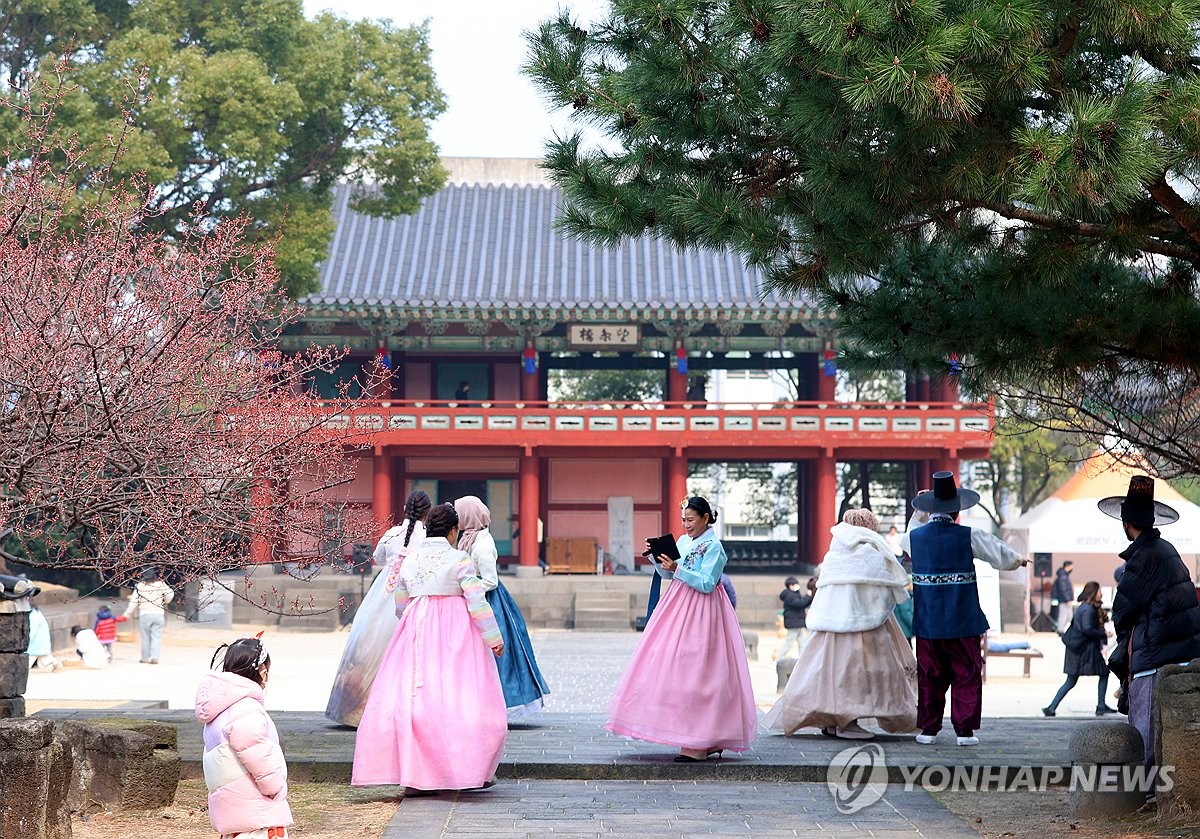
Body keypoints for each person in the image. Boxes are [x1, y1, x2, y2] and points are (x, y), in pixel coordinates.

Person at [352, 503, 506, 791]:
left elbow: (400, 602)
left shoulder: (411, 560)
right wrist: (493, 638)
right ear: (452, 531)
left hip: (415, 630)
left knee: (416, 702)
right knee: (460, 700)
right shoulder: (460, 559)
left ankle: (417, 773)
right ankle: (464, 770)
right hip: (456, 635)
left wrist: (414, 619)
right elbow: (476, 601)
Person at [607, 496, 756, 762]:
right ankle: (688, 734)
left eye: (690, 520)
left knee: (699, 673)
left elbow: (708, 583)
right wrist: (658, 559)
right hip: (676, 606)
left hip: (703, 612)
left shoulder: (714, 547)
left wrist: (678, 569)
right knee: (669, 666)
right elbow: (669, 574)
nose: (686, 525)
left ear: (706, 518)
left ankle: (701, 740)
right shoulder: (684, 542)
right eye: (683, 520)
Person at [764, 508, 917, 740]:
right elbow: (888, 584)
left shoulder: (833, 554)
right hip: (864, 625)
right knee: (858, 673)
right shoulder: (869, 550)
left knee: (827, 673)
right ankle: (848, 721)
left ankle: (831, 720)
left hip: (829, 627)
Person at [904, 471, 1027, 746]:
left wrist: (917, 515)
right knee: (967, 673)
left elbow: (907, 538)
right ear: (957, 510)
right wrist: (1018, 560)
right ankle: (965, 731)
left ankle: (928, 729)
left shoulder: (915, 538)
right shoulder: (968, 535)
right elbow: (998, 553)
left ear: (930, 510)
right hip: (963, 619)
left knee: (929, 675)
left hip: (928, 622)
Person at [1102, 475, 1200, 772]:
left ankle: (1145, 790)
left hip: (1153, 656)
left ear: (1126, 523)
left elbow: (1122, 609)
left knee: (1145, 734)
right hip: (1176, 653)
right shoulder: (1166, 550)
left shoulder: (1144, 557)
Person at [325, 490, 433, 727]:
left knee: (372, 648)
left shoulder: (392, 534)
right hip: (414, 592)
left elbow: (378, 558)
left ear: (405, 510)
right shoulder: (427, 539)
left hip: (385, 591)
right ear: (427, 513)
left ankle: (362, 708)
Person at [455, 495, 551, 718]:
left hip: (488, 602)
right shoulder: (470, 538)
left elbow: (490, 581)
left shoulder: (482, 545)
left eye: (460, 513)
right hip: (474, 597)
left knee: (494, 654)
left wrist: (465, 585)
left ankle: (497, 703)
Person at [195, 636, 292, 839]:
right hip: (258, 815)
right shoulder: (245, 709)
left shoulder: (219, 710)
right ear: (262, 672)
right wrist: (275, 787)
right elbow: (255, 751)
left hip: (235, 813)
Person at [1042, 581, 1116, 717]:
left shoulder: (1085, 607)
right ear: (1093, 593)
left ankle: (1052, 707)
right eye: (1099, 591)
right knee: (1102, 673)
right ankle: (1100, 705)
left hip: (1078, 648)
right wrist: (1103, 634)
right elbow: (1087, 629)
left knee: (1072, 680)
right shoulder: (1088, 609)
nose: (1101, 594)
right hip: (1084, 650)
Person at [123, 566, 174, 664]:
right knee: (157, 637)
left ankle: (145, 658)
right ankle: (155, 657)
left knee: (145, 637)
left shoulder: (140, 586)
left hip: (145, 615)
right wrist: (165, 601)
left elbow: (133, 602)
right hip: (158, 614)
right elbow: (170, 594)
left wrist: (127, 614)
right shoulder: (160, 584)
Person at [777, 576, 813, 660]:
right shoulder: (789, 595)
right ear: (790, 585)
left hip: (797, 622)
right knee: (789, 642)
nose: (796, 585)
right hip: (794, 622)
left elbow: (803, 604)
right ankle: (779, 658)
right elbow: (799, 603)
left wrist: (808, 598)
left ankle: (802, 659)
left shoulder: (794, 594)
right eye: (794, 584)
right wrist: (807, 596)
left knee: (802, 642)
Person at [27, 604, 62, 671]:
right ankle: (55, 663)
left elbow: (32, 632)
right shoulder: (37, 613)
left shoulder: (33, 616)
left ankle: (54, 663)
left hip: (35, 645)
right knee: (44, 661)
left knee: (26, 663)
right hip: (42, 645)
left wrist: (26, 641)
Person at [1052, 560, 1076, 632]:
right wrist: (1067, 599)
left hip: (1065, 600)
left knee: (1068, 616)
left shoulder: (1063, 576)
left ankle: (1064, 630)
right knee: (1064, 616)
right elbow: (1063, 589)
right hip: (1064, 601)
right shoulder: (1063, 577)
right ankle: (1061, 630)